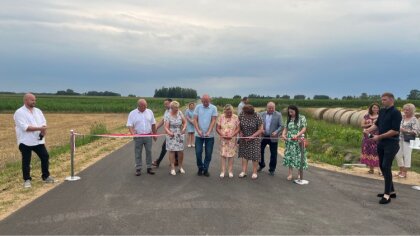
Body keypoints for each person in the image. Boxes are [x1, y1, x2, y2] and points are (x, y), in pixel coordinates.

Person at [364, 92, 402, 204]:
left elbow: (395, 130)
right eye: (382, 99)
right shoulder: (382, 111)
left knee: (386, 166)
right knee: (381, 166)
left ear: (391, 100)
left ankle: (387, 195)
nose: (382, 101)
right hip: (381, 142)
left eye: (384, 99)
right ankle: (392, 191)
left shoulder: (396, 113)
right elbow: (377, 124)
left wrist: (378, 136)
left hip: (392, 143)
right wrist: (368, 130)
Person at [14, 93, 55, 188]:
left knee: (45, 156)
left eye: (35, 100)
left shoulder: (38, 111)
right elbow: (25, 127)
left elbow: (43, 123)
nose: (34, 101)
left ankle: (46, 176)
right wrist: (40, 128)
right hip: (25, 141)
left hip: (38, 140)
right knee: (26, 161)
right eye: (32, 100)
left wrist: (43, 130)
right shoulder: (19, 112)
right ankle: (27, 180)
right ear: (25, 100)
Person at [127, 99, 157, 176]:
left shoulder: (149, 112)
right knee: (138, 152)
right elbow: (129, 125)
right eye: (144, 106)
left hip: (148, 135)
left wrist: (154, 134)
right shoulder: (132, 113)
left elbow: (153, 124)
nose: (145, 107)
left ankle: (149, 167)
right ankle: (138, 168)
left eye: (146, 105)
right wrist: (132, 133)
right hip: (138, 136)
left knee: (149, 151)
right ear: (139, 105)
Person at [194, 94, 218, 177]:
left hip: (210, 135)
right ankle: (200, 167)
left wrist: (209, 131)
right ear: (201, 101)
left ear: (210, 100)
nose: (205, 103)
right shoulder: (198, 107)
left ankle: (206, 169)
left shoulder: (213, 108)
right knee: (198, 152)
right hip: (199, 135)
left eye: (207, 101)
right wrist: (198, 130)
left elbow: (213, 120)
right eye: (204, 101)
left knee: (208, 153)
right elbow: (195, 120)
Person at [281, 105, 307, 181]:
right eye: (289, 112)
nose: (290, 113)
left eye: (292, 112)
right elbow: (285, 129)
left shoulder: (302, 118)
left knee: (299, 157)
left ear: (296, 111)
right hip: (289, 141)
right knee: (290, 157)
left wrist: (297, 135)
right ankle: (290, 174)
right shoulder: (288, 119)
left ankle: (299, 174)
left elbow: (304, 128)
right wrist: (283, 135)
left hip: (298, 140)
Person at [238, 104, 264, 179]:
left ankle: (255, 172)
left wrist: (252, 137)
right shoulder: (242, 114)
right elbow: (238, 125)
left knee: (255, 156)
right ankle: (243, 171)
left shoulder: (257, 116)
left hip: (254, 139)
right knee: (244, 154)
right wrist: (240, 132)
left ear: (251, 112)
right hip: (244, 138)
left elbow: (260, 129)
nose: (246, 115)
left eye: (248, 114)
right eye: (245, 113)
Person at [395, 103, 419, 178]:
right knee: (398, 155)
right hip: (399, 138)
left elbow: (416, 132)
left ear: (412, 111)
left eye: (407, 110)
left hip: (408, 140)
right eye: (404, 109)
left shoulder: (414, 119)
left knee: (407, 156)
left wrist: (405, 130)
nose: (405, 111)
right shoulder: (402, 117)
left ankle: (404, 173)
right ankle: (401, 170)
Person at [258, 102, 283, 175]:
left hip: (273, 137)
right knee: (260, 151)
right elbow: (258, 124)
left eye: (273, 108)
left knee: (273, 154)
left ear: (274, 108)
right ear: (267, 107)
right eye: (270, 108)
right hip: (263, 136)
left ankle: (272, 169)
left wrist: (276, 132)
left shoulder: (278, 115)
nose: (271, 109)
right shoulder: (261, 114)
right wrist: (261, 130)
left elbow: (281, 126)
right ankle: (261, 165)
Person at [152, 98, 178, 167]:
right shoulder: (166, 111)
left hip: (173, 133)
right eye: (164, 104)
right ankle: (176, 160)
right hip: (168, 133)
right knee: (172, 147)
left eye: (166, 104)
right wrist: (156, 127)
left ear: (171, 103)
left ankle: (158, 162)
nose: (165, 105)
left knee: (165, 146)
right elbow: (163, 120)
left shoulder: (174, 111)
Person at [216, 104, 240, 178]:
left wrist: (232, 135)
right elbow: (217, 128)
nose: (229, 114)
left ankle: (230, 171)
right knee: (223, 155)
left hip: (232, 139)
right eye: (227, 112)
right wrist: (222, 134)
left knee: (231, 155)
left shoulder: (236, 117)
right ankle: (223, 171)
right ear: (225, 111)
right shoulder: (221, 117)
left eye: (230, 112)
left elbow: (238, 128)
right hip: (223, 139)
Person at [164, 101, 187, 175]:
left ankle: (180, 167)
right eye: (175, 108)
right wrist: (169, 132)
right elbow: (166, 127)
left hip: (179, 134)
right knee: (172, 151)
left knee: (180, 151)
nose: (177, 109)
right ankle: (172, 168)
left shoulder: (180, 113)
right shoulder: (168, 115)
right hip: (171, 134)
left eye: (178, 107)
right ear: (171, 108)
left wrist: (184, 128)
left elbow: (185, 122)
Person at [360, 103, 381, 174]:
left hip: (377, 136)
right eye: (374, 107)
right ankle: (371, 169)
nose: (375, 109)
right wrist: (369, 125)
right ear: (371, 108)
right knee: (369, 152)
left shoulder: (381, 116)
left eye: (377, 108)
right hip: (367, 136)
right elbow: (362, 125)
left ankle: (380, 170)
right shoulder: (366, 116)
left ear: (379, 109)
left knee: (377, 152)